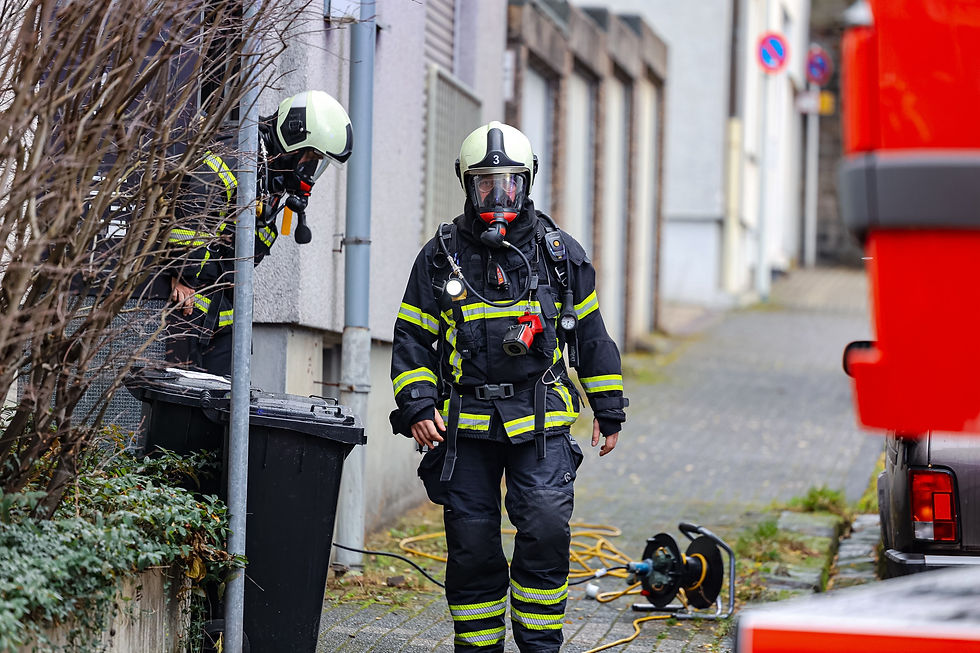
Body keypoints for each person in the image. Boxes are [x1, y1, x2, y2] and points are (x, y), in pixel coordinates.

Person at [390, 121, 628, 652]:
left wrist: (608, 409)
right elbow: (411, 340)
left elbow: (591, 336)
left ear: (528, 182)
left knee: (545, 527)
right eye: (485, 184)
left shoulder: (559, 255)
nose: (498, 196)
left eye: (510, 183)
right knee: (472, 546)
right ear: (466, 185)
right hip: (467, 427)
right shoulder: (441, 255)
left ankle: (540, 648)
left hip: (541, 420)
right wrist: (418, 403)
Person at [163, 90, 353, 375]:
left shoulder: (271, 177)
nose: (310, 169)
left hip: (222, 315)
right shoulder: (238, 154)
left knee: (224, 404)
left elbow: (251, 249)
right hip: (186, 307)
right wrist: (183, 274)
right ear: (294, 137)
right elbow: (194, 211)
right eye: (311, 157)